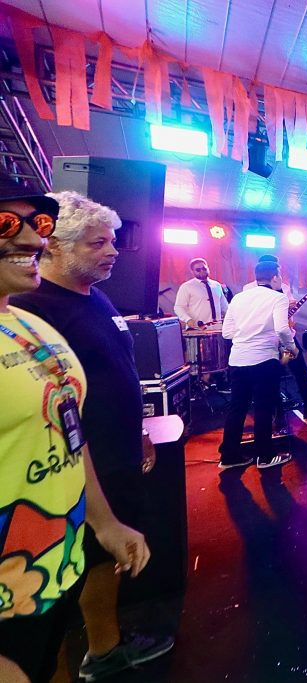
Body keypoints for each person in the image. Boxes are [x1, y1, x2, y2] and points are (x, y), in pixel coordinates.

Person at [10, 191, 174, 680]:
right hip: (74, 467)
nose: (113, 251)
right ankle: (97, 653)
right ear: (55, 246)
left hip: (114, 452)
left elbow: (115, 371)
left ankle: (103, 645)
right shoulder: (33, 308)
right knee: (74, 568)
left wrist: (139, 430)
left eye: (112, 241)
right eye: (96, 243)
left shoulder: (96, 296)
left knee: (103, 559)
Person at [218, 261, 296, 469]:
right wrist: (292, 348)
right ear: (275, 277)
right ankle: (266, 456)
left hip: (237, 360)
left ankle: (229, 456)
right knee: (264, 406)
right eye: (280, 276)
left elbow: (227, 333)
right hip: (263, 360)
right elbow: (282, 329)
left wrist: (247, 334)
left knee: (237, 407)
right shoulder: (278, 298)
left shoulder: (239, 298)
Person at [242, 254, 307, 419]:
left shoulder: (284, 287)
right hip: (268, 338)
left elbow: (291, 309)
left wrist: (291, 309)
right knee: (272, 377)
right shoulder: (248, 289)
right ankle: (278, 415)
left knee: (301, 372)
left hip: (287, 335)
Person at [173, 257, 229, 328]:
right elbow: (179, 307)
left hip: (217, 327)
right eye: (198, 270)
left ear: (208, 268)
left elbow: (224, 306)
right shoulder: (186, 287)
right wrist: (187, 319)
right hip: (197, 329)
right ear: (192, 271)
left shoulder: (216, 285)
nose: (202, 271)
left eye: (204, 268)